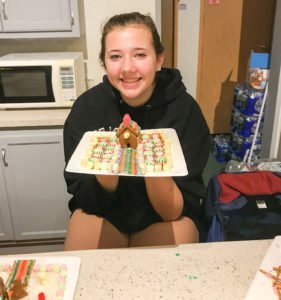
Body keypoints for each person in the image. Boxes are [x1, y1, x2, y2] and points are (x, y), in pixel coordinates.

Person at [63, 12, 210, 250]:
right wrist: (107, 166)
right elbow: (85, 198)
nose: (128, 68)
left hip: (164, 215)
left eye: (140, 55)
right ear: (104, 62)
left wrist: (151, 161)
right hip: (103, 213)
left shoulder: (185, 111)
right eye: (115, 56)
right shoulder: (87, 109)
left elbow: (174, 210)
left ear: (159, 59)